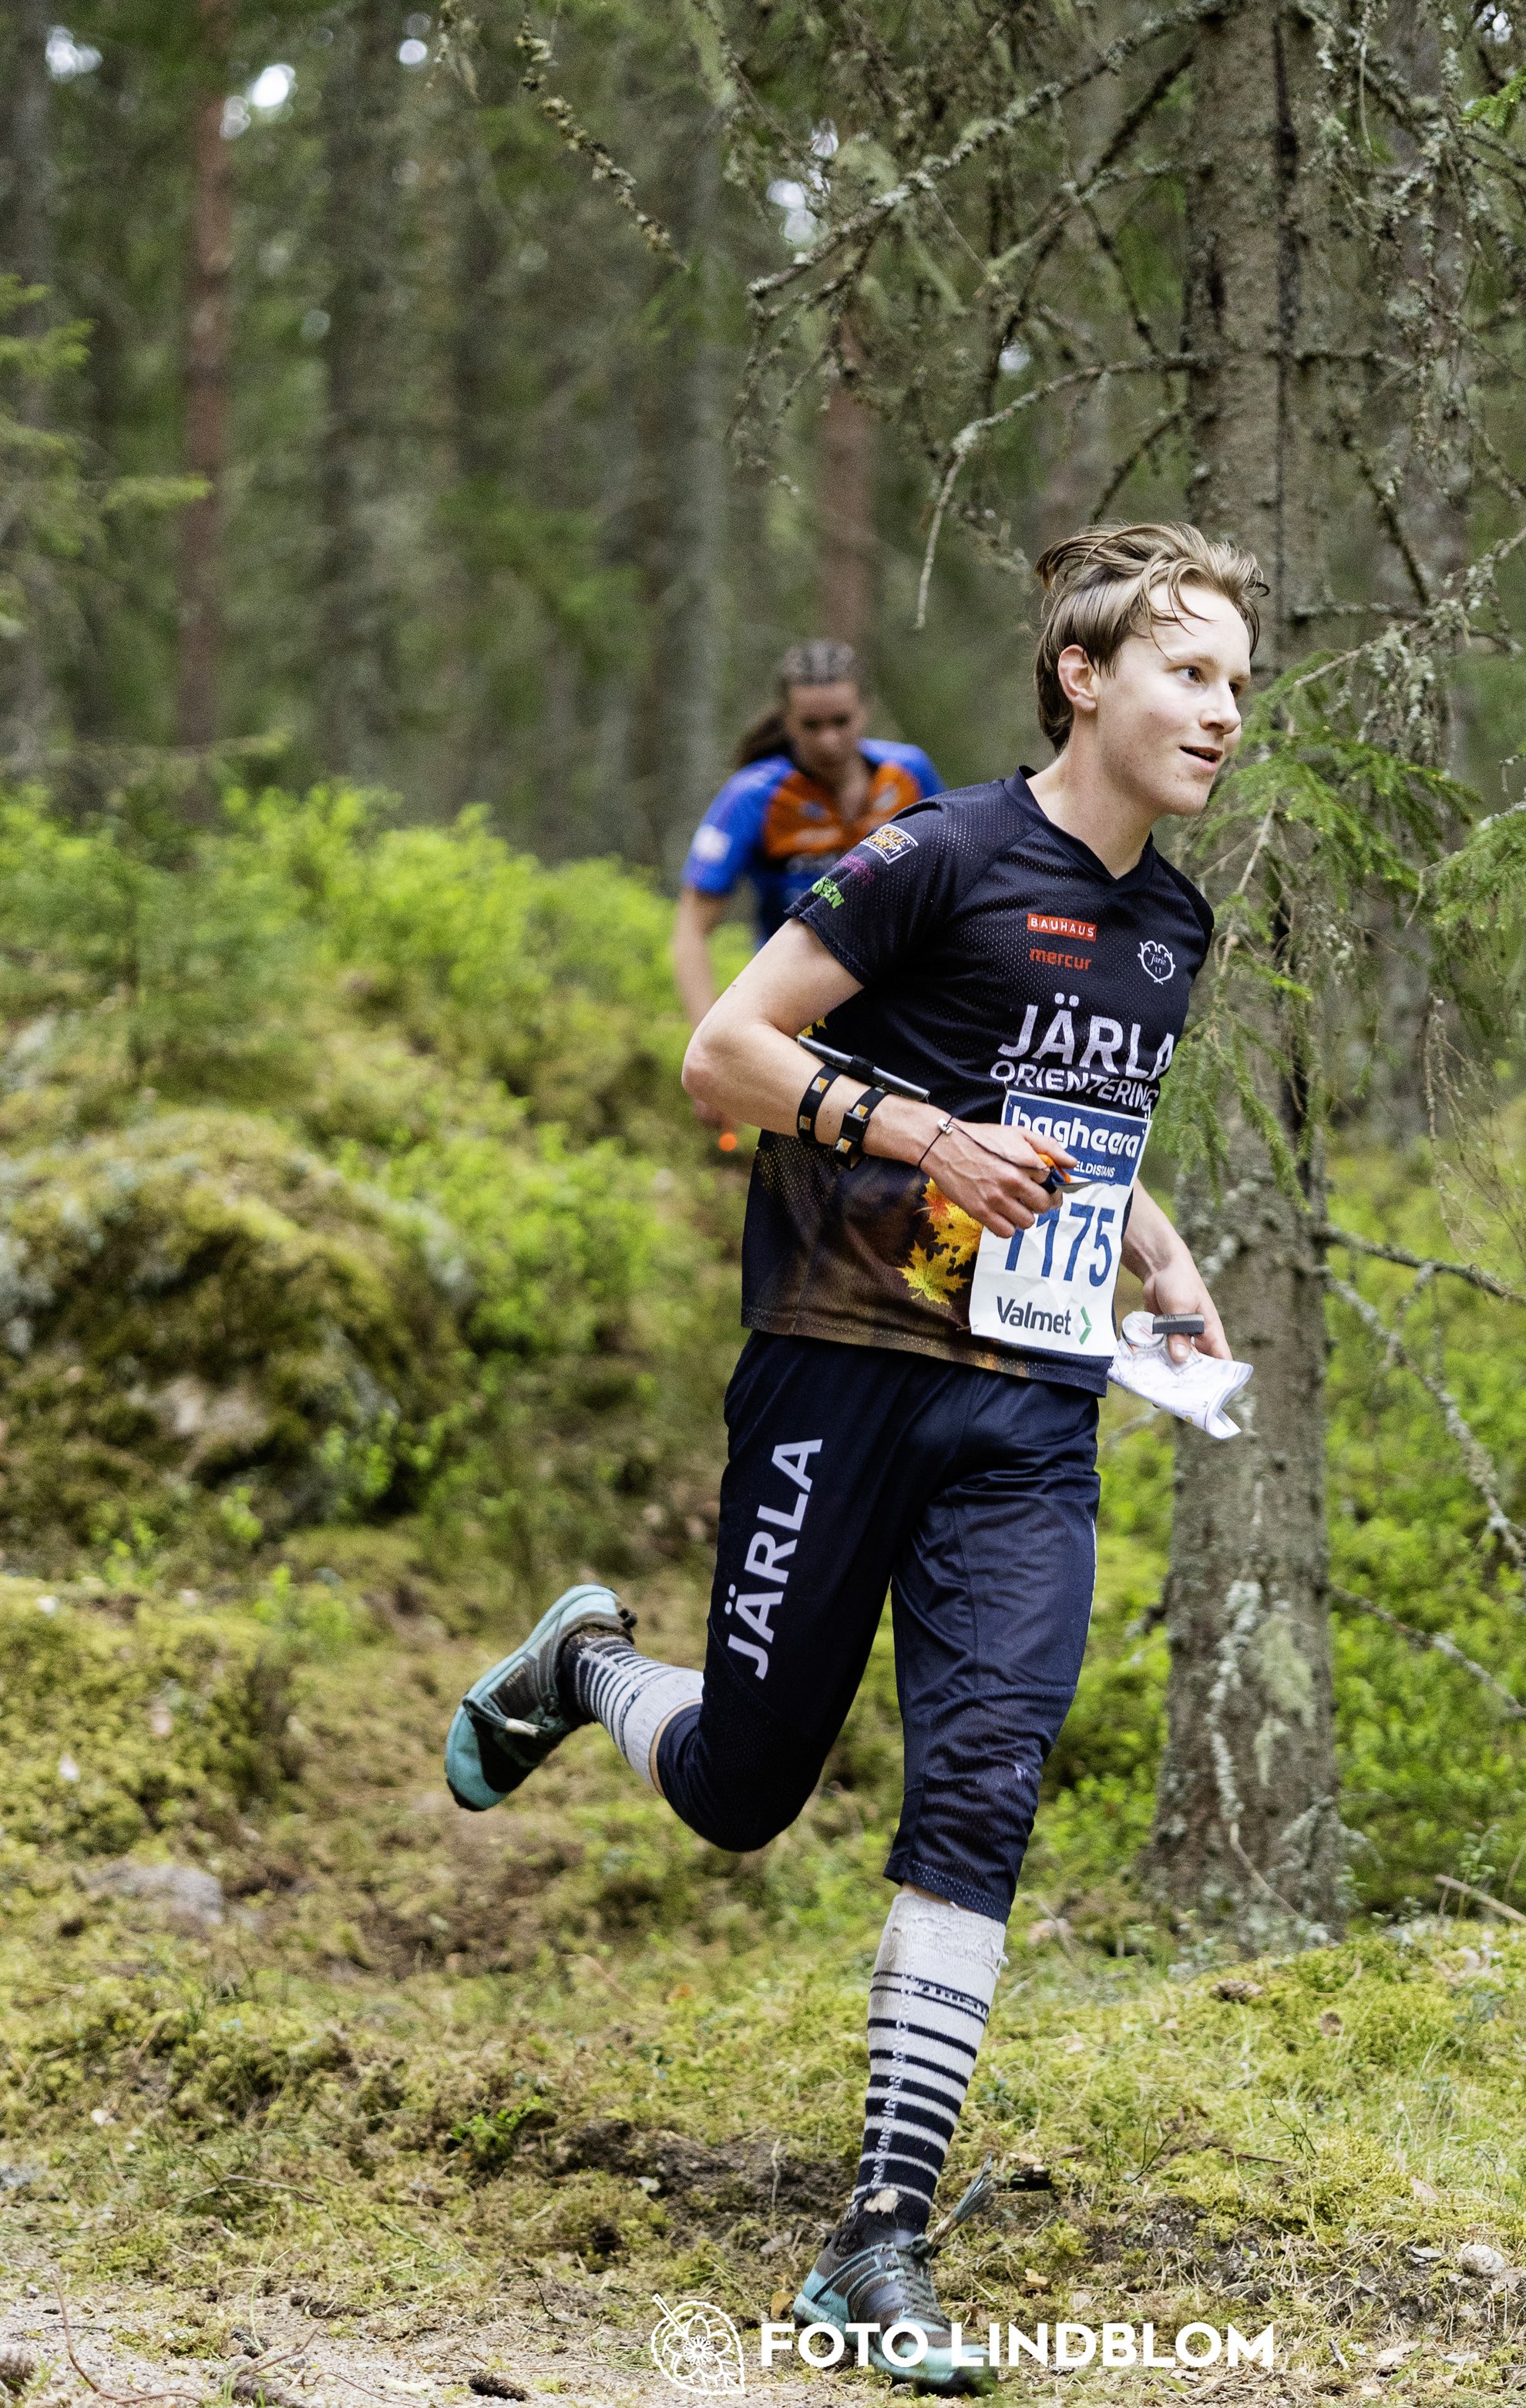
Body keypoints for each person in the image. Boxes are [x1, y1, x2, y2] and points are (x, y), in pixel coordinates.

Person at [445, 523, 1259, 2393]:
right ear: (1085, 674)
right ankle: (586, 1661)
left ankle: (878, 2234)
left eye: (1235, 683)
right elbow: (723, 1055)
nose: (1223, 711)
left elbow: (1076, 1123)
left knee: (983, 1782)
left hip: (1031, 1415)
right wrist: (914, 1138)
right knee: (742, 1784)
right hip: (838, 1368)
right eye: (1189, 672)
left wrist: (1162, 1257)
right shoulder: (935, 853)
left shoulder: (1175, 925)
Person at [671, 638, 943, 1064]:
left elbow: (954, 887)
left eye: (841, 721)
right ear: (787, 720)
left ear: (865, 709)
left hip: (903, 1003)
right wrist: (708, 1048)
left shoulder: (909, 774)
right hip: (795, 1007)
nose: (830, 740)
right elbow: (691, 930)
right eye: (811, 725)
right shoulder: (753, 796)